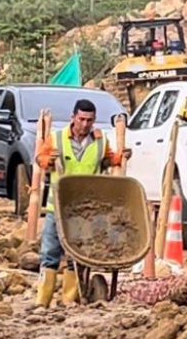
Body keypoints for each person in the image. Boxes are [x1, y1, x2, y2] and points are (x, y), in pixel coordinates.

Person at [34, 99, 131, 308]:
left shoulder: (99, 141)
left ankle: (69, 298)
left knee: (77, 255)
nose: (85, 124)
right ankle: (42, 300)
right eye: (81, 119)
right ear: (73, 118)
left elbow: (107, 159)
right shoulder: (57, 138)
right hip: (58, 206)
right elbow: (40, 159)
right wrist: (49, 159)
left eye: (89, 120)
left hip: (86, 210)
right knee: (50, 253)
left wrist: (120, 157)